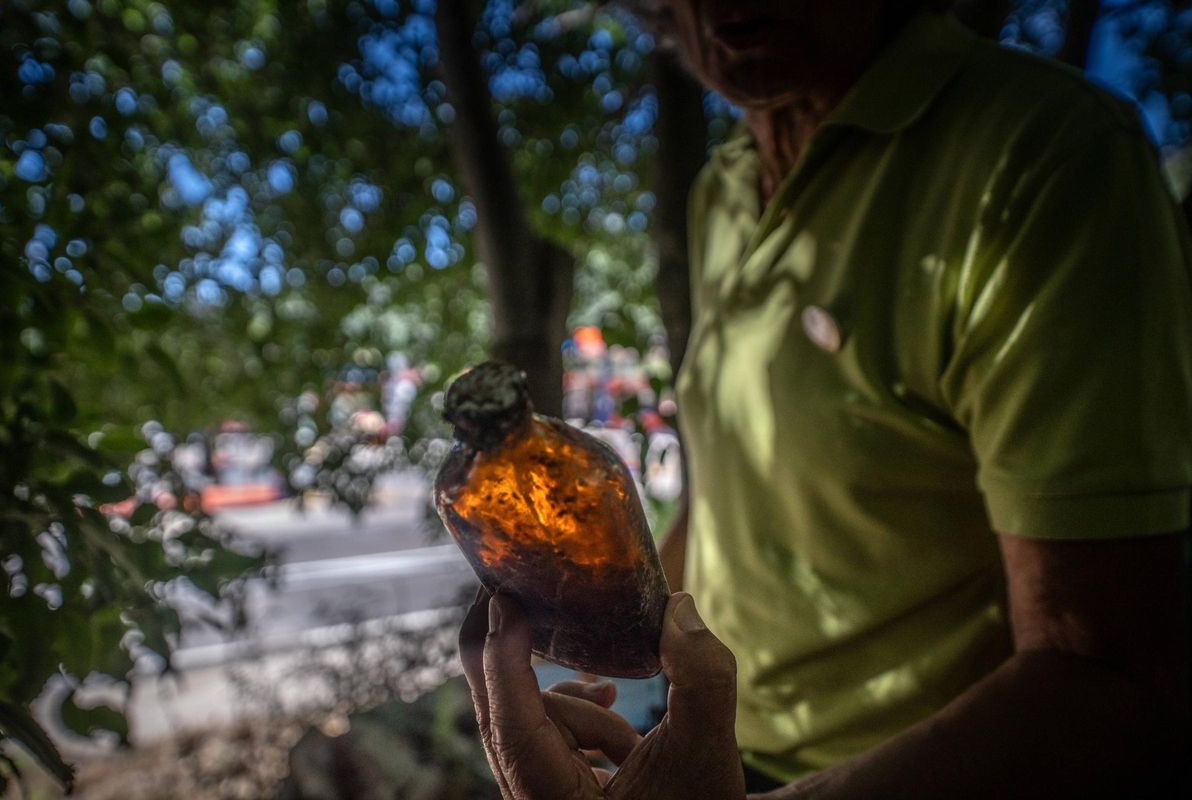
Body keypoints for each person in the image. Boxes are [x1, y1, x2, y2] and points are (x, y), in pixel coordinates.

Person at [459, 1, 1192, 797]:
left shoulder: (1048, 154)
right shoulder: (724, 188)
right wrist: (606, 647)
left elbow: (1105, 679)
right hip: (730, 744)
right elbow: (731, 487)